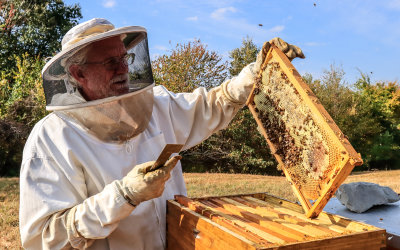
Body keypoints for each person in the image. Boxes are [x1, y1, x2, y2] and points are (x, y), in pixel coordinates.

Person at [19, 18, 304, 249]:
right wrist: (122, 196)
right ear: (78, 74)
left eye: (124, 58)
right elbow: (43, 239)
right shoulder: (52, 139)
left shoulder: (157, 104)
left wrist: (254, 74)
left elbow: (213, 104)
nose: (123, 69)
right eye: (109, 63)